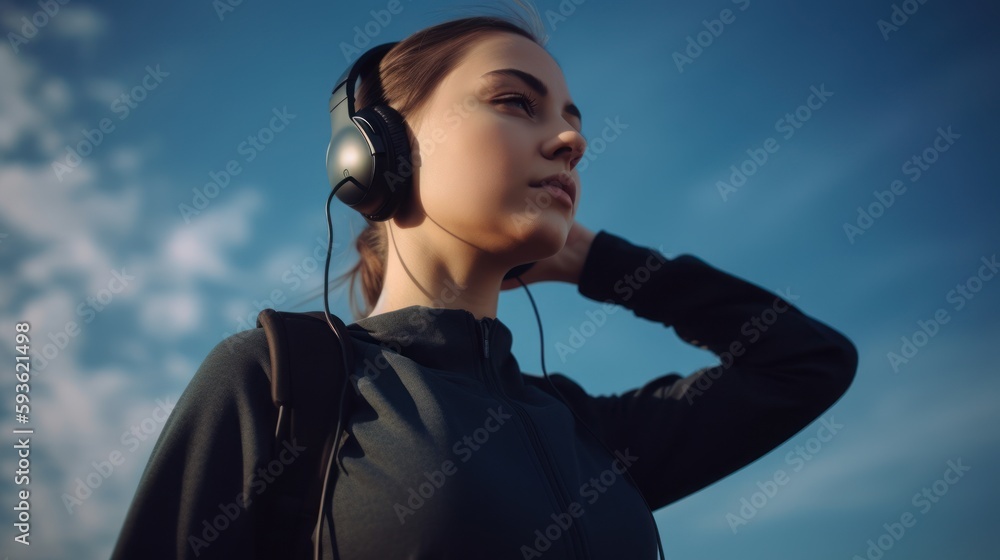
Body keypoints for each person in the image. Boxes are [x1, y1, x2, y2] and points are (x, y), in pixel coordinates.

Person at [110, 7, 858, 560]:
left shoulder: (589, 433)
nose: (572, 141)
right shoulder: (277, 379)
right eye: (513, 102)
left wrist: (604, 262)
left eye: (570, 120)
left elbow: (804, 362)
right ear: (379, 150)